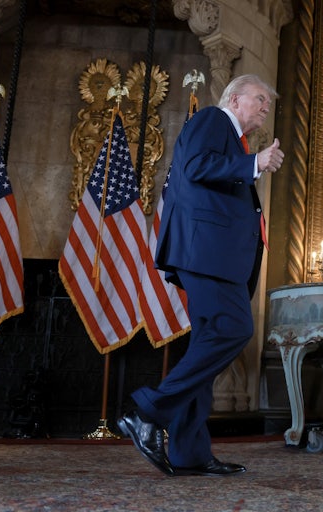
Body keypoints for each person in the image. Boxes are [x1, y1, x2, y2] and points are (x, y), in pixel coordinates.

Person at [117, 74, 284, 477]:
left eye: (268, 103)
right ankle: (147, 411)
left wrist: (250, 165)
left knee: (208, 346)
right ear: (235, 98)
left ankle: (189, 452)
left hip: (217, 258)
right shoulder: (212, 119)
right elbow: (194, 167)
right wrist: (254, 163)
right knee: (235, 328)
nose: (265, 107)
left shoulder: (235, 140)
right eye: (260, 98)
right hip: (206, 254)